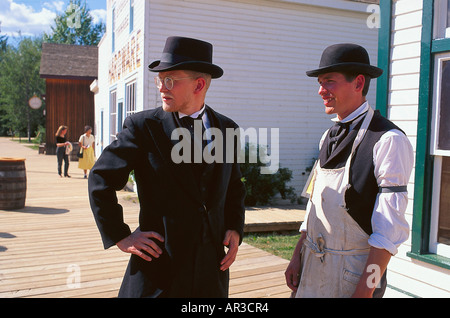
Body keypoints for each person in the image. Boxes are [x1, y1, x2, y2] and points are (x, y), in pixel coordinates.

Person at [88, 36, 246, 298]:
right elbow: (100, 178)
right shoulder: (143, 127)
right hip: (159, 272)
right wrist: (120, 235)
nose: (162, 87)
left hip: (210, 273)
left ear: (199, 84)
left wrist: (235, 228)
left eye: (170, 80)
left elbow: (233, 186)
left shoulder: (228, 129)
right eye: (159, 79)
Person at [285, 43, 414, 298]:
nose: (321, 91)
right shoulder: (327, 137)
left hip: (354, 279)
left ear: (358, 83)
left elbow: (388, 235)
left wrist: (365, 292)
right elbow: (315, 202)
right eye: (320, 83)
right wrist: (297, 255)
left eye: (329, 82)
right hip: (312, 267)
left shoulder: (388, 141)